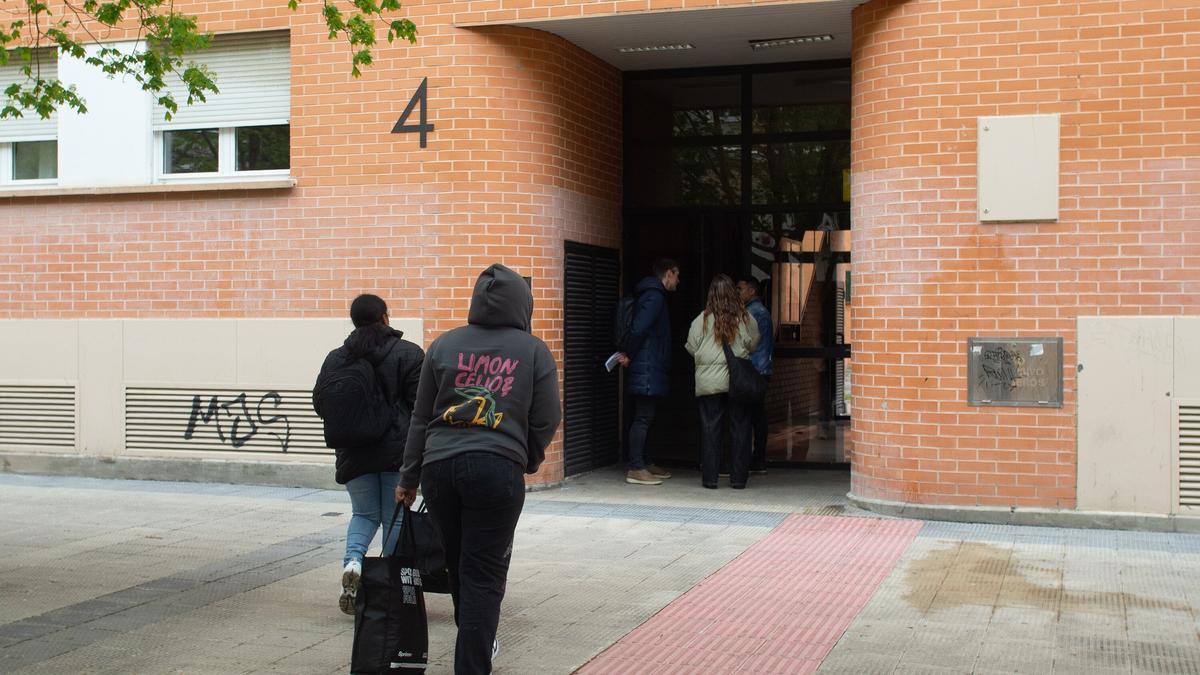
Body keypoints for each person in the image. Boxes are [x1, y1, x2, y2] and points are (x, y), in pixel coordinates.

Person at [397, 264, 562, 674]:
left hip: (439, 470)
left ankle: (476, 643)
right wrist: (528, 456)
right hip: (497, 470)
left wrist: (408, 477)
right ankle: (474, 659)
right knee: (484, 575)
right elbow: (547, 416)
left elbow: (420, 417)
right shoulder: (533, 349)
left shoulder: (444, 344)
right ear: (523, 305)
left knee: (459, 566)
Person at [314, 293, 424, 615]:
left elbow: (320, 403)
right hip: (396, 454)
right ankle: (385, 586)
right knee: (394, 518)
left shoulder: (336, 357)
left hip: (354, 453)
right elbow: (422, 408)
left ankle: (353, 563)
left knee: (363, 514)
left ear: (354, 320)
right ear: (385, 317)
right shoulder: (408, 354)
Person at [685, 274, 759, 489]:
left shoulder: (702, 319)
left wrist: (706, 357)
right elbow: (753, 343)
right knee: (740, 429)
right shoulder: (745, 318)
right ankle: (738, 479)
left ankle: (710, 478)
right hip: (738, 381)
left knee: (710, 429)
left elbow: (691, 345)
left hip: (709, 382)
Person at [615, 258, 679, 486]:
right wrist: (629, 353)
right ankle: (636, 467)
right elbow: (640, 327)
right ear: (668, 273)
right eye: (677, 276)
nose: (678, 282)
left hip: (649, 364)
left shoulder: (652, 294)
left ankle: (645, 461)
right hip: (646, 364)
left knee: (648, 416)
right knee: (643, 416)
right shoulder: (654, 296)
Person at [737, 276, 774, 474]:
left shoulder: (753, 313)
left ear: (752, 291)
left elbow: (751, 345)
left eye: (740, 288)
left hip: (755, 371)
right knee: (756, 416)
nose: (738, 292)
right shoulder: (758, 312)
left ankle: (756, 459)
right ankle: (757, 459)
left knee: (752, 417)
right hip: (760, 370)